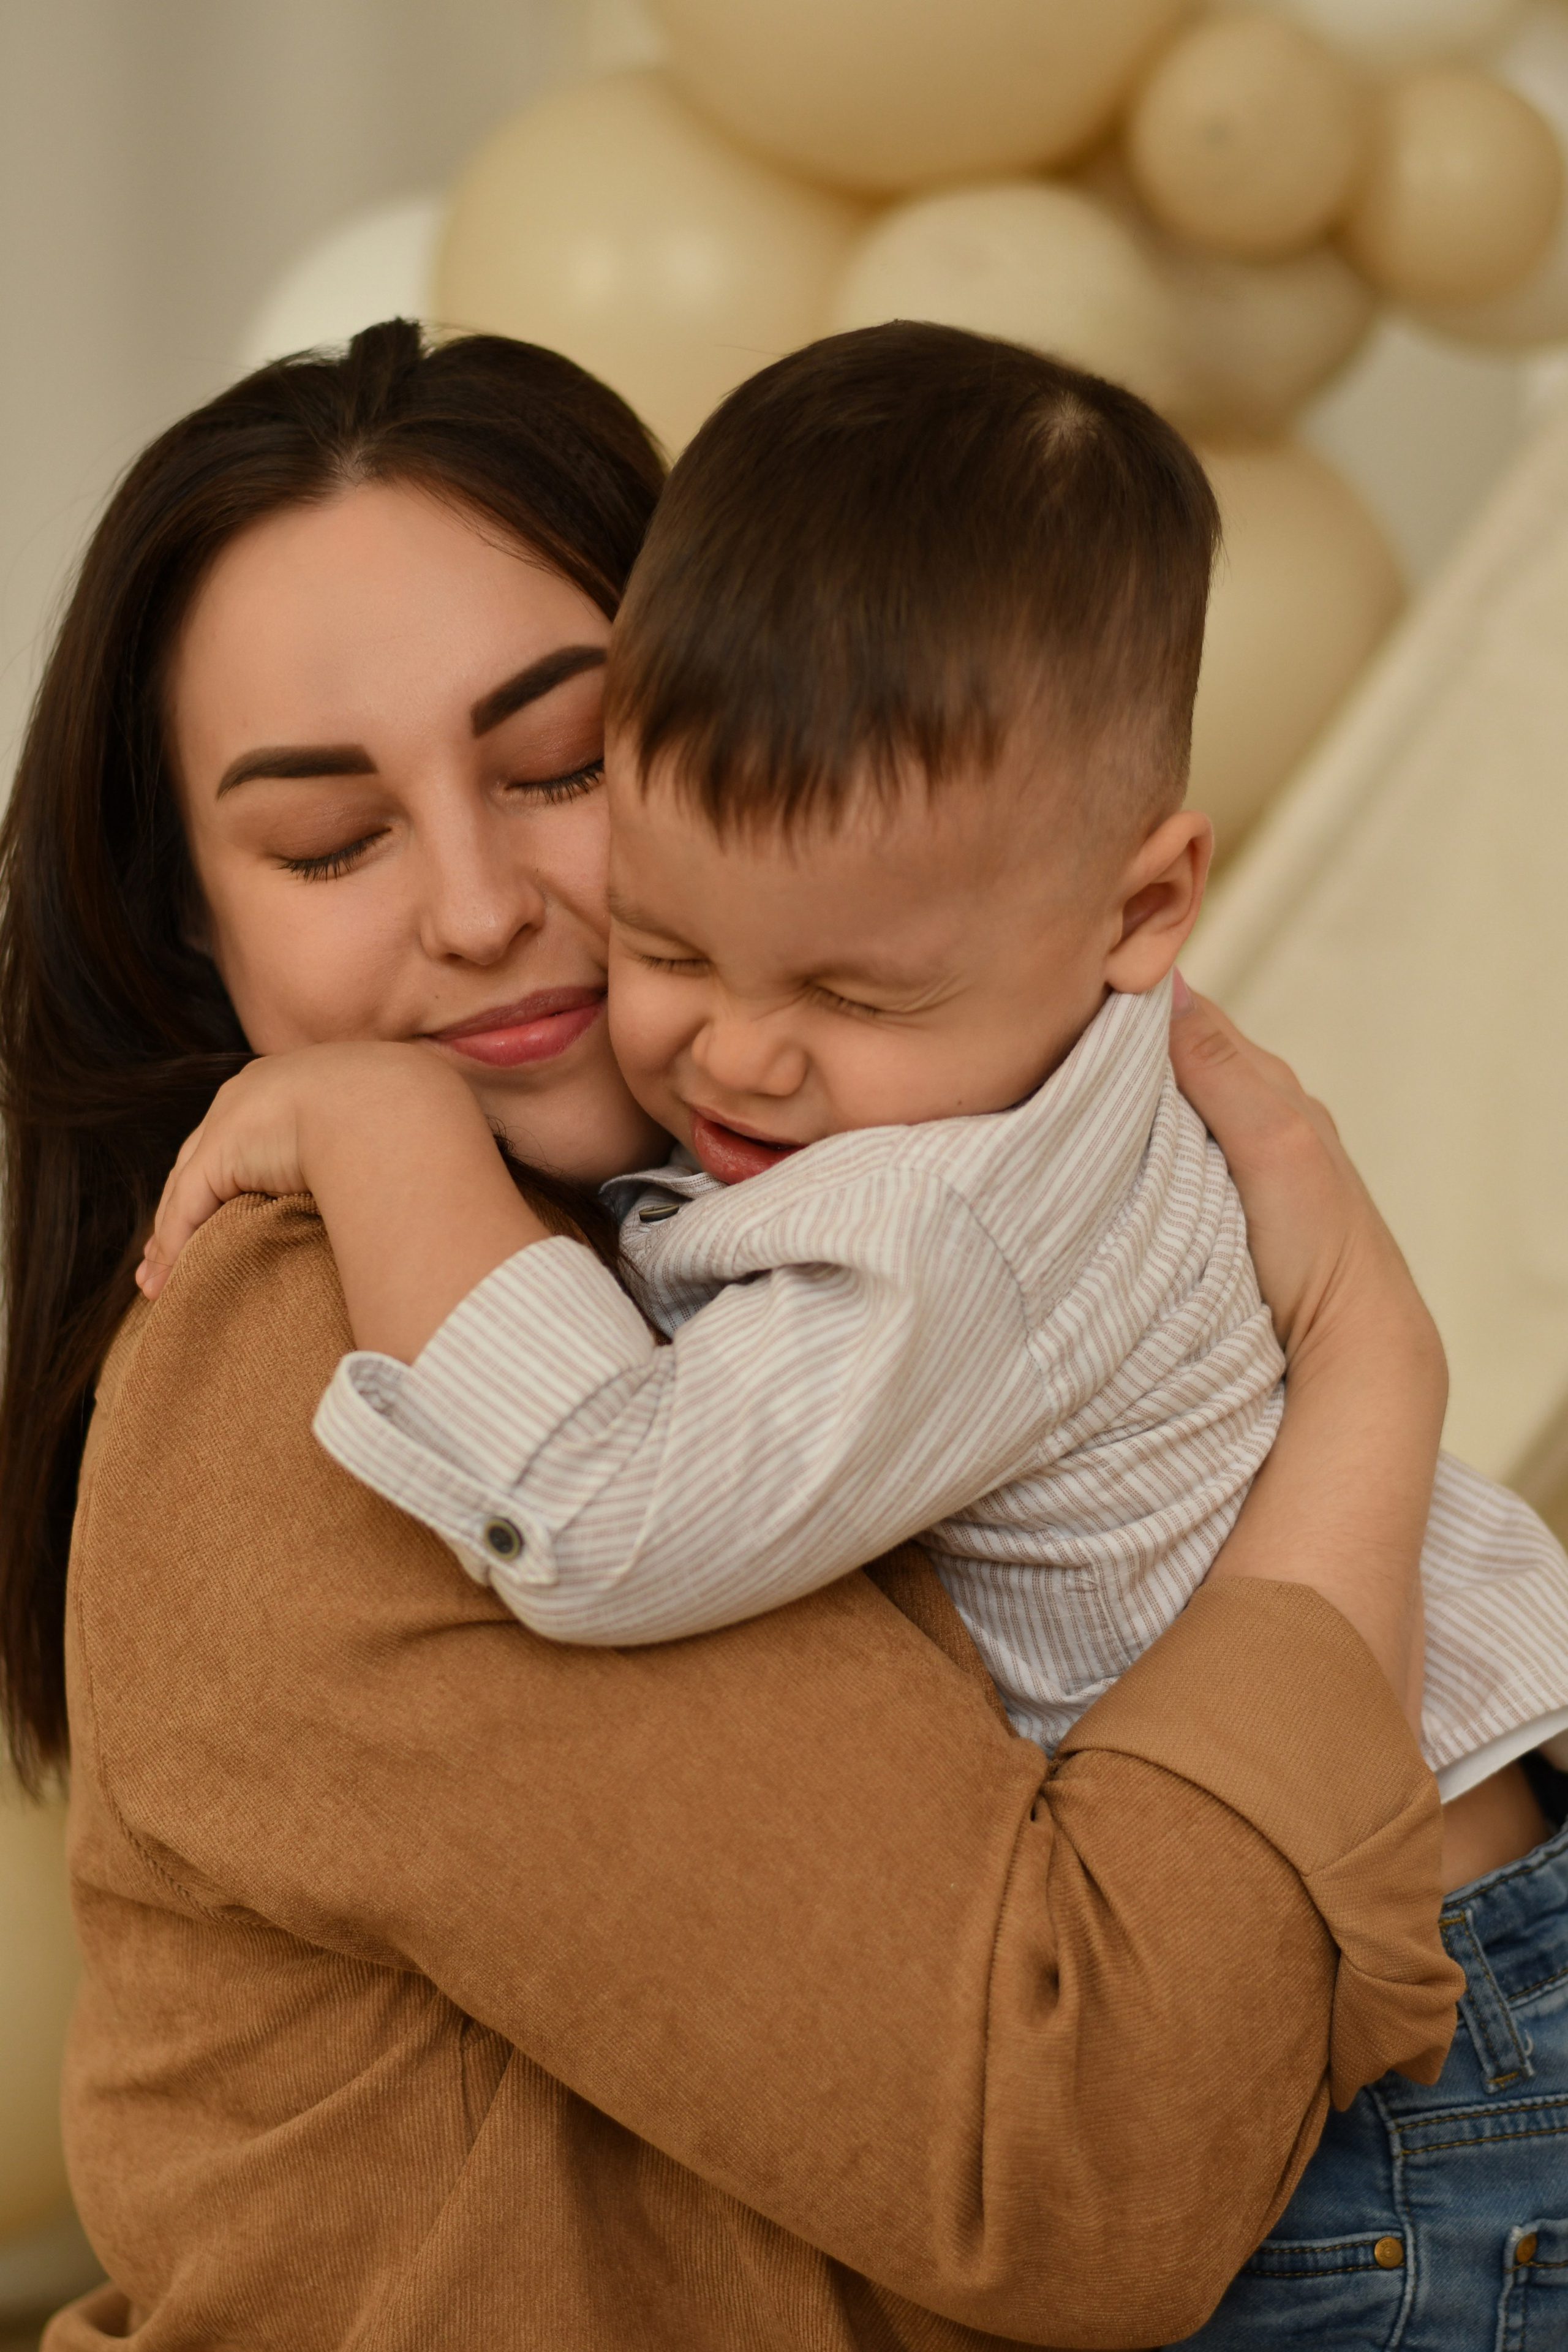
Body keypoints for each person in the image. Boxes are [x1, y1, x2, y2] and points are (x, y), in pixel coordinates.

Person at [0, 323, 1461, 2351]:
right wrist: (1373, 1386)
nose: (486, 904)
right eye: (331, 842)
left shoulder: (776, 1236)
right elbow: (1089, 2158)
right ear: (198, 933)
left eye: (565, 767)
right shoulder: (320, 1366)